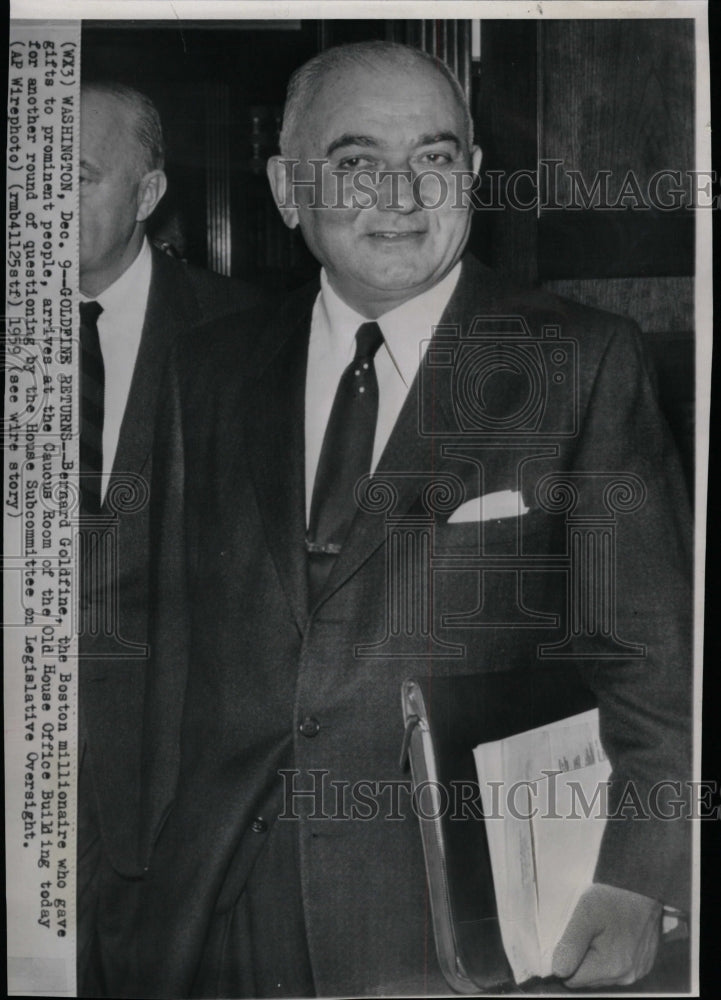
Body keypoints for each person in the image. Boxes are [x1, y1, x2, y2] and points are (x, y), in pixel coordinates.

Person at [133, 42, 692, 998]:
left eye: (433, 159)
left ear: (472, 176)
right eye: (355, 164)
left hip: (453, 916)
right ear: (286, 186)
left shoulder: (582, 362)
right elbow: (172, 646)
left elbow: (655, 663)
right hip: (228, 900)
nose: (400, 196)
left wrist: (637, 876)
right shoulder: (208, 369)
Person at [76, 81, 262, 995]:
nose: (35, 206)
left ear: (148, 195)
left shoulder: (248, 333)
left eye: (71, 178)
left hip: (182, 790)